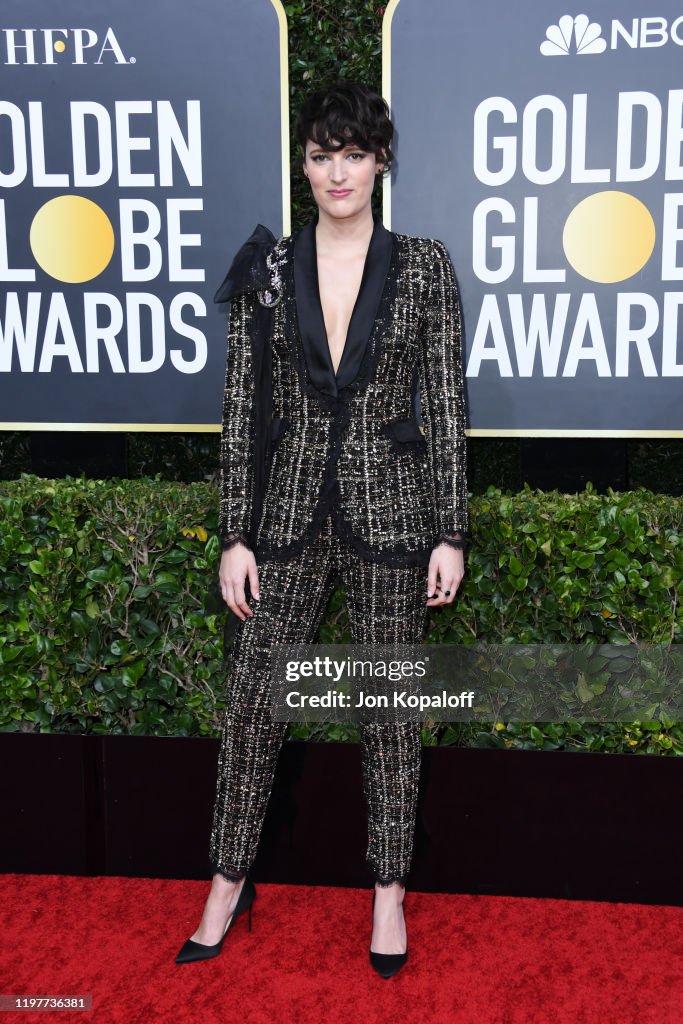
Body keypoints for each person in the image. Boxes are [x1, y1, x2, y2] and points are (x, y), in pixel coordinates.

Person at [176, 80, 469, 978]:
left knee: (386, 715)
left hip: (393, 517)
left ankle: (387, 891)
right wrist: (235, 533)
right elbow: (239, 410)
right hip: (287, 517)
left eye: (352, 153)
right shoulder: (269, 267)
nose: (335, 171)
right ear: (301, 164)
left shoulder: (422, 266)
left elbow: (448, 407)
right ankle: (227, 882)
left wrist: (449, 530)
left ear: (380, 161)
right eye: (319, 153)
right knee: (254, 710)